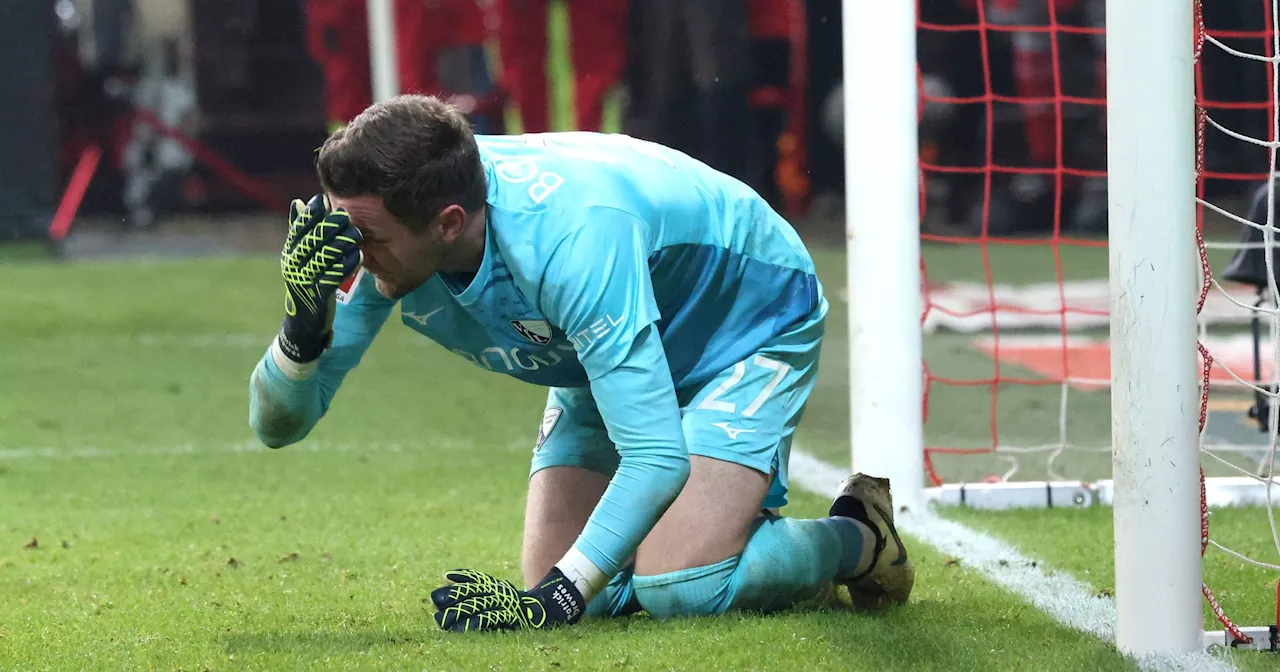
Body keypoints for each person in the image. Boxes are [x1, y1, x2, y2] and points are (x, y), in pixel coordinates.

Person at [248, 94, 913, 632]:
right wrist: (302, 332)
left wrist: (557, 598)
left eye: (364, 237)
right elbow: (278, 427)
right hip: (601, 348)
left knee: (678, 584)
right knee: (584, 583)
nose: (350, 253)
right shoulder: (384, 238)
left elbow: (654, 457)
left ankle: (857, 537)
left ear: (448, 223)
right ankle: (721, 531)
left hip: (743, 317)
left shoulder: (569, 240)